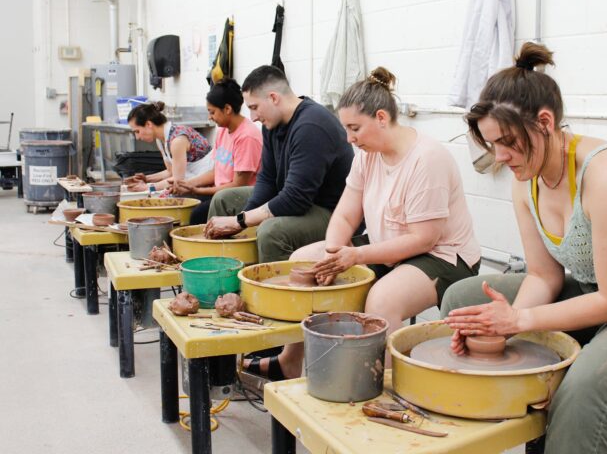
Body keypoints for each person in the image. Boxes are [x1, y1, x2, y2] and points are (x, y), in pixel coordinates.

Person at [441, 43, 607, 454]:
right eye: (490, 143)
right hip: (595, 294)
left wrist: (519, 321)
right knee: (462, 300)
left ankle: (566, 427)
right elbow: (544, 275)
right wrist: (502, 324)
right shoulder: (525, 177)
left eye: (507, 142)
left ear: (545, 122)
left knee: (585, 391)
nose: (499, 156)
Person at [252, 67, 482, 380]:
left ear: (382, 118)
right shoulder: (366, 154)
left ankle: (387, 390)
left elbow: (423, 239)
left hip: (443, 256)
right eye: (345, 128)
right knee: (304, 262)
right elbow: (346, 214)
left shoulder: (427, 159)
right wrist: (333, 252)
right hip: (386, 247)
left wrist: (356, 256)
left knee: (382, 300)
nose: (348, 138)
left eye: (354, 128)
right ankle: (291, 360)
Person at [204, 65, 354, 264]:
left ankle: (273, 288)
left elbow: (295, 199)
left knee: (271, 232)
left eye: (254, 107)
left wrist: (240, 222)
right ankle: (223, 275)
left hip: (331, 212)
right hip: (299, 201)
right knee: (223, 199)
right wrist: (244, 217)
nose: (253, 118)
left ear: (273, 98)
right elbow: (267, 180)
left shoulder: (311, 126)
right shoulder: (272, 123)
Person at [174, 78, 263, 225]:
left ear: (227, 109)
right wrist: (188, 184)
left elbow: (238, 186)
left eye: (212, 112)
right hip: (219, 193)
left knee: (196, 215)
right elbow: (216, 171)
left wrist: (198, 190)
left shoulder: (247, 136)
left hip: (236, 198)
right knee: (183, 205)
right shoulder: (222, 130)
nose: (210, 117)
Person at [124, 101, 212, 191]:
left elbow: (178, 180)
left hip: (208, 182)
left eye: (137, 131)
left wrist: (147, 187)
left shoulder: (177, 140)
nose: (137, 137)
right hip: (192, 180)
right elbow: (170, 172)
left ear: (149, 124)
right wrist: (146, 179)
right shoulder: (161, 140)